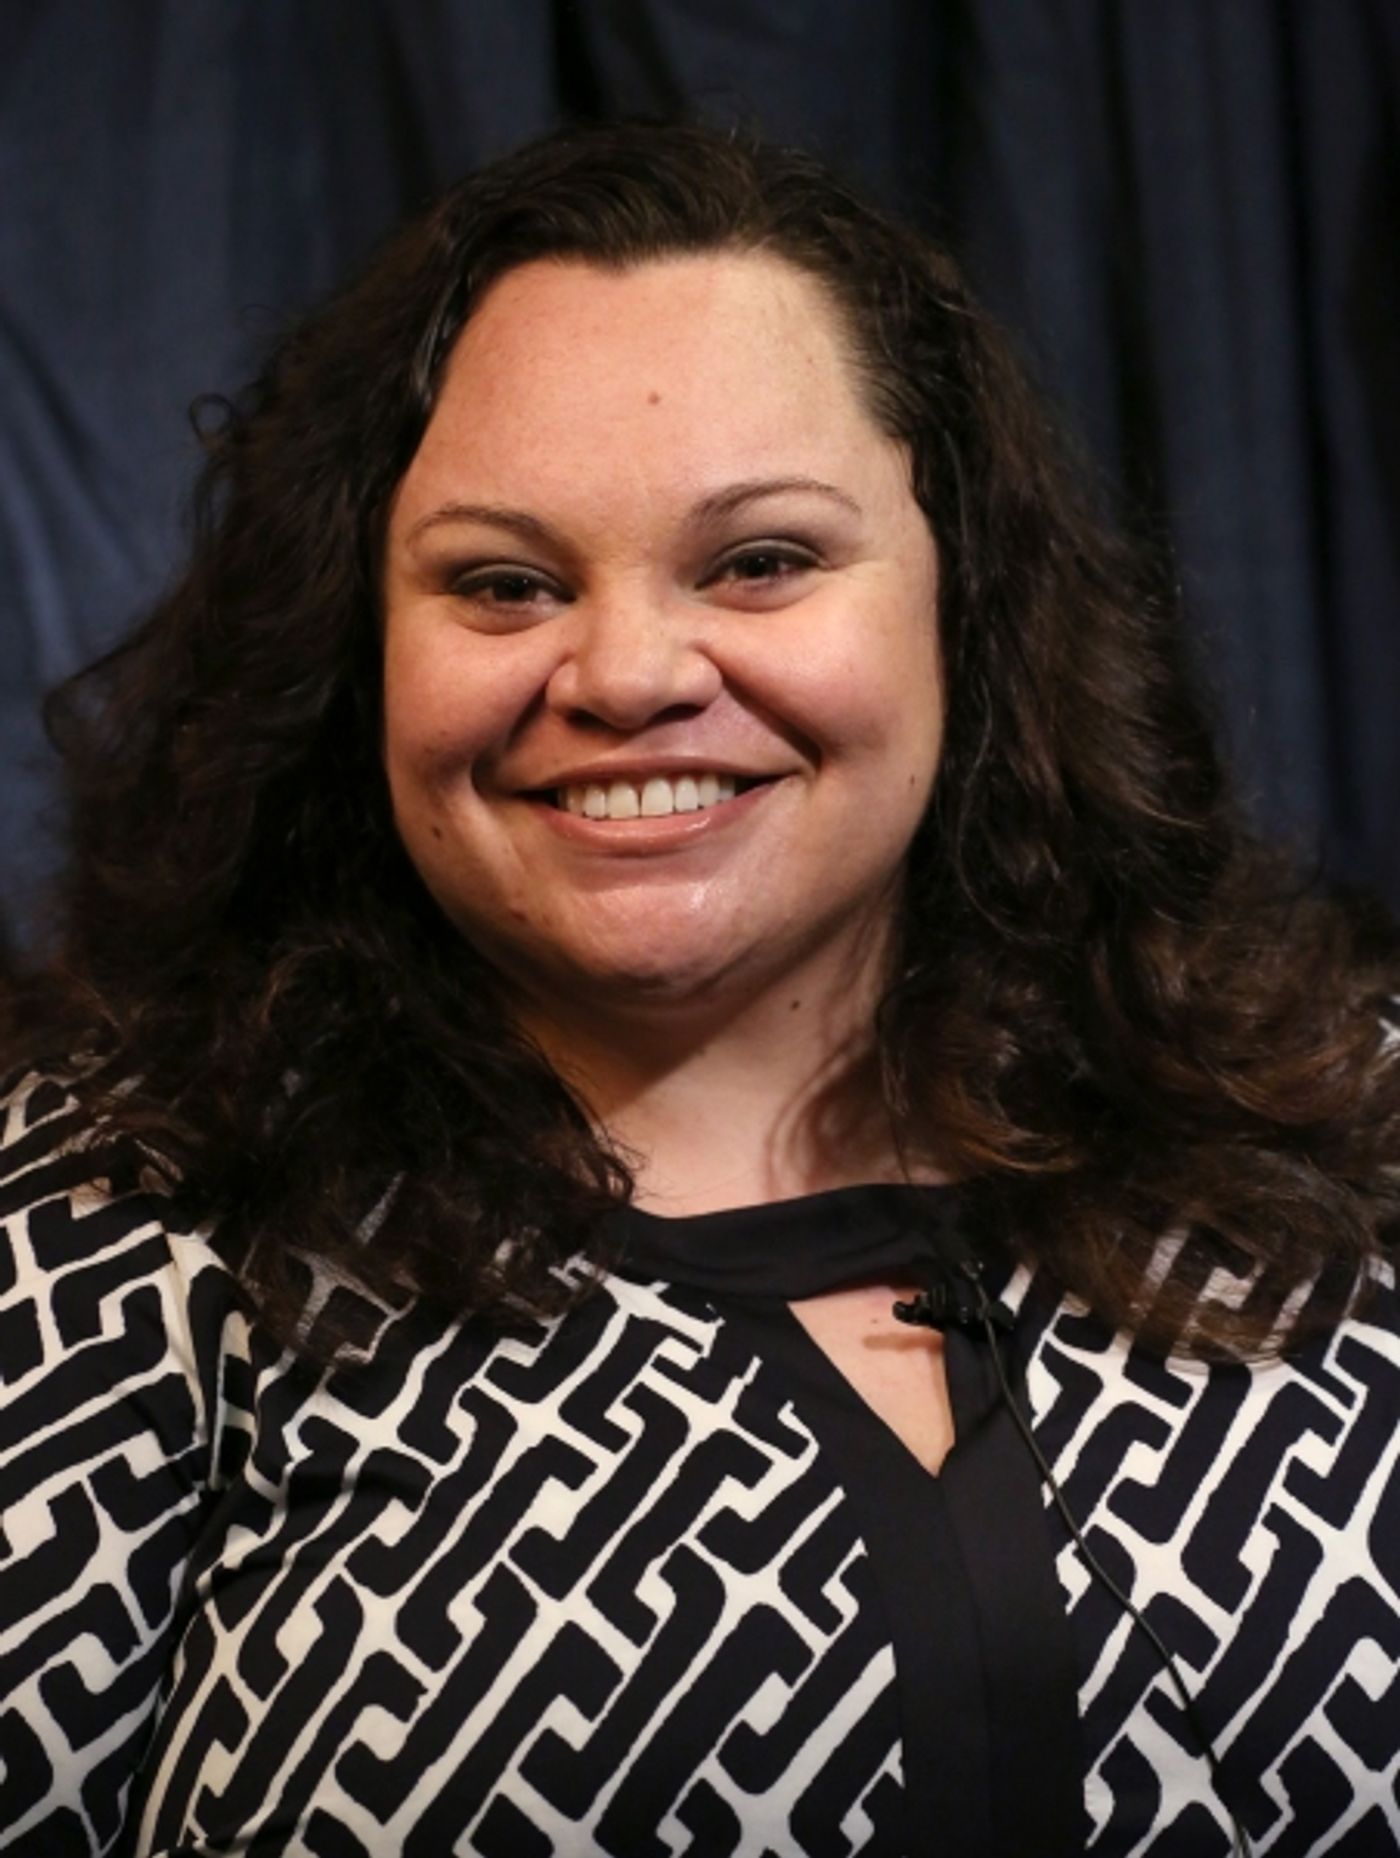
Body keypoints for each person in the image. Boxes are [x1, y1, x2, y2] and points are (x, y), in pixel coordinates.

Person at [1, 119, 1397, 1858]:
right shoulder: (105, 1218)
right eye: (504, 583)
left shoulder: (1344, 1142)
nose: (630, 673)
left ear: (964, 596)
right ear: (355, 645)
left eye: (760, 561)